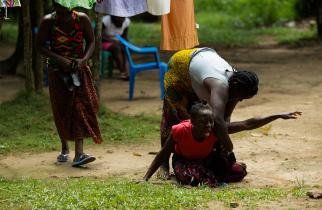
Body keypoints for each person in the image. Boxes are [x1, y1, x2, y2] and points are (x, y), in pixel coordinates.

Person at [159, 47, 295, 178]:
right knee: (175, 115)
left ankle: (202, 156)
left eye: (244, 98)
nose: (240, 99)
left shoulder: (238, 85)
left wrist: (222, 148)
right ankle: (164, 163)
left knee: (205, 120)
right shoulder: (221, 86)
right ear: (233, 86)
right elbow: (217, 120)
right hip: (179, 66)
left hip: (199, 67)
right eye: (241, 96)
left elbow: (225, 118)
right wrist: (228, 146)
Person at [145, 102, 301, 187]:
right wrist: (146, 178)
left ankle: (212, 174)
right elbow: (163, 153)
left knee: (239, 172)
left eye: (210, 121)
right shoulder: (180, 130)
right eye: (202, 122)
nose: (208, 126)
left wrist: (278, 115)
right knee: (193, 178)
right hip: (184, 161)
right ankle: (208, 176)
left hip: (206, 160)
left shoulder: (215, 129)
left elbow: (247, 124)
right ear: (192, 122)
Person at [36, 1, 102, 167]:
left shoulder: (82, 19)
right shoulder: (48, 21)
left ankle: (79, 154)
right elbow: (39, 46)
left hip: (79, 71)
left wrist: (83, 60)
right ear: (54, 4)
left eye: (65, 6)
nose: (62, 9)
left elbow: (91, 42)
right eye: (58, 5)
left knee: (81, 107)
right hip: (57, 73)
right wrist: (59, 59)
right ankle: (65, 147)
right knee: (61, 108)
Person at [102, 15, 130, 80]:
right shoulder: (105, 21)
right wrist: (112, 41)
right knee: (116, 47)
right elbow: (98, 37)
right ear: (113, 17)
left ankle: (125, 70)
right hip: (104, 42)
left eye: (123, 19)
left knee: (126, 47)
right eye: (119, 19)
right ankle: (122, 72)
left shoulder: (126, 21)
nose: (121, 21)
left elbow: (125, 37)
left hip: (118, 42)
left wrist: (125, 43)